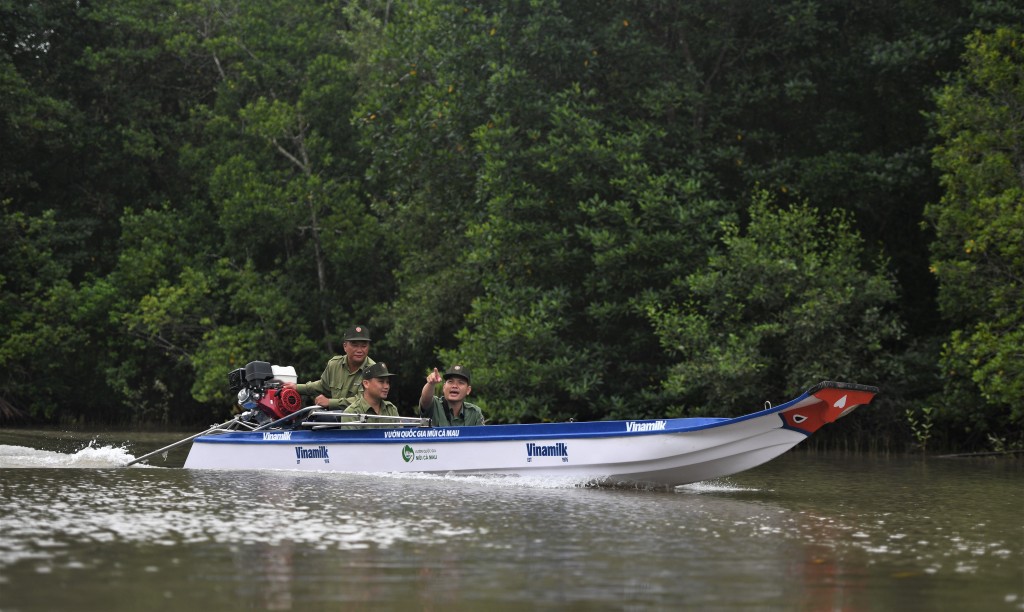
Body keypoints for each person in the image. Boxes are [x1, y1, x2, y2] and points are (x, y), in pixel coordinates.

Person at [284, 325, 375, 409]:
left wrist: (330, 402)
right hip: (335, 419)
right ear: (345, 347)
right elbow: (322, 386)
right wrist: (296, 387)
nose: (359, 350)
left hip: (360, 421)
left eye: (364, 346)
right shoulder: (334, 364)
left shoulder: (374, 370)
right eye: (354, 345)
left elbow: (364, 401)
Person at [419, 364, 485, 426]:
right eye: (450, 382)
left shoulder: (474, 413)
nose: (454, 386)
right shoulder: (435, 405)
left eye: (460, 383)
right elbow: (425, 399)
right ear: (444, 387)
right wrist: (431, 384)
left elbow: (483, 436)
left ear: (468, 390)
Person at [340, 362, 401, 428]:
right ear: (366, 384)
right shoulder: (352, 413)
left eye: (387, 382)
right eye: (381, 382)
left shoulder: (391, 410)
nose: (386, 386)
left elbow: (400, 436)